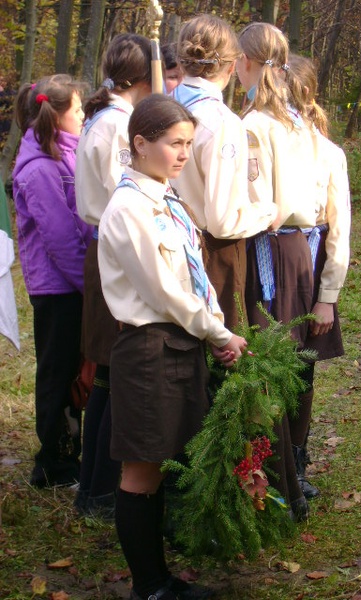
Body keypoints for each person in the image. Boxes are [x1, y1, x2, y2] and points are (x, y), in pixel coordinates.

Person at [98, 93, 246, 600]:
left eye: (188, 144)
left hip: (177, 345)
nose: (184, 154)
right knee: (141, 469)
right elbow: (163, 290)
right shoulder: (129, 208)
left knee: (159, 466)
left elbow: (192, 274)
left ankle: (160, 577)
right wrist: (219, 332)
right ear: (140, 144)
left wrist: (211, 328)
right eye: (173, 144)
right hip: (148, 350)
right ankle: (149, 586)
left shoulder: (165, 197)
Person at [236, 22, 319, 518]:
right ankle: (292, 475)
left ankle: (279, 485)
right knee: (291, 366)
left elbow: (265, 201)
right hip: (299, 249)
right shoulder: (296, 119)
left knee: (271, 366)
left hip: (269, 248)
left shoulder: (256, 124)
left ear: (245, 62)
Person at [74, 33, 153, 518]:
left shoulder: (107, 117)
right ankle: (99, 487)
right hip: (114, 248)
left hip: (108, 245)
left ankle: (94, 485)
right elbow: (125, 192)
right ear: (143, 76)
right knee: (111, 370)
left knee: (107, 371)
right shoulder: (116, 125)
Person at [12, 75, 93, 487]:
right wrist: (91, 285)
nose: (83, 115)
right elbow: (61, 238)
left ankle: (69, 455)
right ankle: (53, 464)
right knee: (58, 375)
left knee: (75, 372)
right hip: (59, 288)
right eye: (78, 109)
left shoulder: (66, 154)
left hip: (73, 285)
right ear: (56, 115)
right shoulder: (40, 168)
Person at [172, 14, 277, 329]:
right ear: (233, 66)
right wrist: (266, 212)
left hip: (164, 250)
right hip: (211, 257)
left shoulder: (159, 106)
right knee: (218, 365)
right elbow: (222, 220)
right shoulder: (221, 122)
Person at [287, 54, 351, 498]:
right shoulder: (254, 138)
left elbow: (338, 230)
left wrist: (326, 295)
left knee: (301, 370)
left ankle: (296, 462)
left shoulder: (328, 153)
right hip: (261, 269)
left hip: (306, 275)